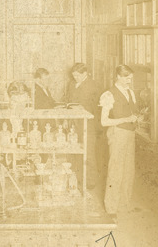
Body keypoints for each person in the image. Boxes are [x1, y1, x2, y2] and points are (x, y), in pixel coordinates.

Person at [99, 64, 139, 218]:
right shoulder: (108, 95)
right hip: (117, 134)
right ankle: (111, 208)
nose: (130, 80)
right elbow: (104, 121)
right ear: (118, 76)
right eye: (126, 77)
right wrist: (126, 119)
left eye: (131, 77)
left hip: (130, 134)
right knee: (115, 170)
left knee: (128, 170)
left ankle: (124, 204)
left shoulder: (131, 92)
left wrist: (135, 119)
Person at [64, 63, 99, 188]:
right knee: (73, 151)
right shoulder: (72, 84)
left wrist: (83, 108)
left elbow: (96, 106)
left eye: (78, 75)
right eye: (73, 76)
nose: (75, 78)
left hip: (87, 124)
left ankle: (89, 182)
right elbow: (67, 99)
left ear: (85, 73)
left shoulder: (93, 85)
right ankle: (76, 179)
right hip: (73, 123)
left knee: (88, 152)